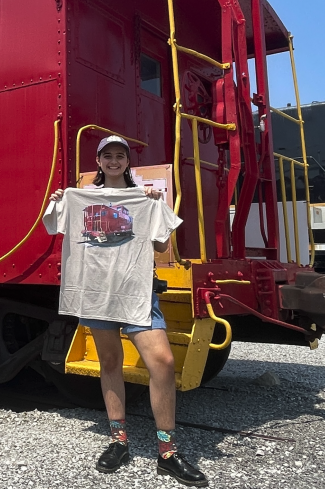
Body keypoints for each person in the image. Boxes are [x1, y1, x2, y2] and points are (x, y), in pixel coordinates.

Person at [48, 136, 208, 487]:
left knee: (163, 362)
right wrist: (60, 202)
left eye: (120, 155)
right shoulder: (79, 197)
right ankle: (118, 441)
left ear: (127, 162)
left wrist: (155, 204)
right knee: (109, 363)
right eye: (108, 156)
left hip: (137, 292)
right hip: (97, 292)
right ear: (99, 162)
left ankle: (167, 452)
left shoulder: (144, 198)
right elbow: (53, 224)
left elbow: (163, 243)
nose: (114, 160)